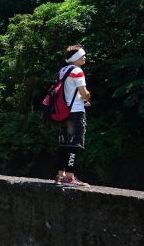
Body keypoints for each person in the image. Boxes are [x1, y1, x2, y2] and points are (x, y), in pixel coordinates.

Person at [54, 44, 91, 187]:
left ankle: (60, 175)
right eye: (83, 55)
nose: (84, 57)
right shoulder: (77, 71)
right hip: (75, 113)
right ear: (76, 58)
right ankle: (70, 176)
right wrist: (87, 97)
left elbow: (67, 93)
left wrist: (81, 102)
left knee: (63, 143)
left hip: (63, 112)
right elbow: (84, 93)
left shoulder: (62, 71)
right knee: (74, 144)